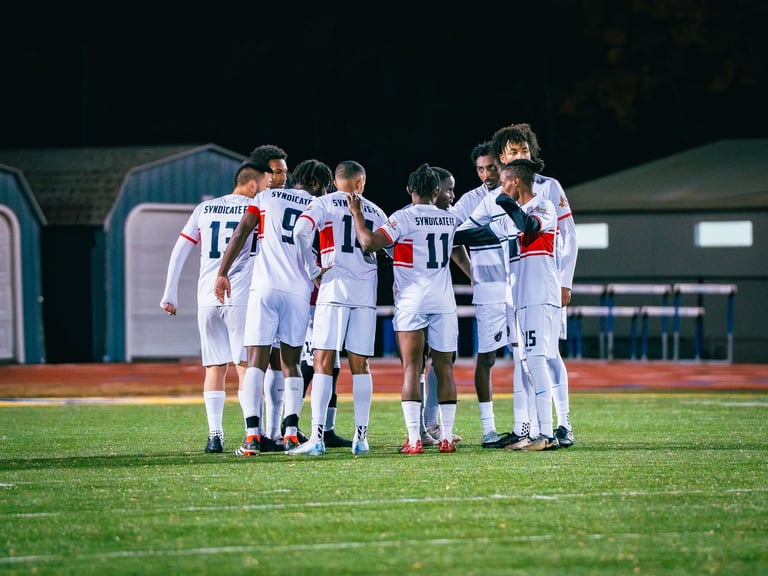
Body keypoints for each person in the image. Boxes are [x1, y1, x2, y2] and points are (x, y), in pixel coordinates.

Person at [214, 153, 333, 456]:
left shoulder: (265, 196)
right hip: (298, 291)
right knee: (291, 364)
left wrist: (223, 272)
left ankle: (252, 436)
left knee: (255, 361)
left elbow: (241, 232)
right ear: (316, 183)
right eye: (325, 186)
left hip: (264, 287)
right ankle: (290, 434)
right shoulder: (318, 204)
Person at [348, 163, 468, 454]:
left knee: (412, 369)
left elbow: (369, 244)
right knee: (445, 368)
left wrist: (357, 215)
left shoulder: (403, 217)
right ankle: (445, 438)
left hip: (412, 300)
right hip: (443, 300)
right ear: (436, 190)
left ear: (410, 189)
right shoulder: (450, 219)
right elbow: (459, 250)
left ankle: (414, 439)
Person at [159, 158, 272, 453]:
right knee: (246, 367)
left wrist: (170, 293)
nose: (267, 188)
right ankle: (253, 433)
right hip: (240, 296)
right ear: (252, 184)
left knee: (214, 368)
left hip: (207, 297)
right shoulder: (258, 206)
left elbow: (180, 248)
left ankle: (215, 436)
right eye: (264, 183)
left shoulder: (205, 208)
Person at [290, 160, 387, 456]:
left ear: (336, 181)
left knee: (322, 362)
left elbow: (300, 231)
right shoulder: (375, 210)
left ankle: (317, 438)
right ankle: (361, 438)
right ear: (361, 182)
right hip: (365, 293)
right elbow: (392, 248)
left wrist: (312, 268)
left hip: (334, 288)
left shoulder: (323, 203)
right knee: (361, 366)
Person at [490, 123, 577, 448]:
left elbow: (570, 237)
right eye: (513, 151)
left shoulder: (548, 188)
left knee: (548, 355)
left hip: (544, 284)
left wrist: (565, 280)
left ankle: (561, 424)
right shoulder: (497, 193)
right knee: (523, 358)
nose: (520, 155)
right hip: (517, 287)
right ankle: (525, 427)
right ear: (502, 157)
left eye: (524, 149)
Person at [493, 158, 561, 450]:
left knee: (535, 361)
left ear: (516, 182)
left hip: (539, 296)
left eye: (504, 182)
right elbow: (486, 234)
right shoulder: (515, 213)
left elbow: (530, 226)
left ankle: (546, 434)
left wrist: (506, 202)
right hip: (523, 299)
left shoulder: (543, 206)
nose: (501, 188)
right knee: (527, 364)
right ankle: (535, 433)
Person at [450, 142, 511, 448]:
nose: (486, 174)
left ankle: (532, 424)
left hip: (521, 287)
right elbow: (448, 236)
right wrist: (471, 272)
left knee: (530, 356)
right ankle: (489, 430)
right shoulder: (470, 200)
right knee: (487, 357)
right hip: (488, 290)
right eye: (481, 169)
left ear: (503, 165)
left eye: (491, 168)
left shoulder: (518, 192)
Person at [419, 166, 465, 446]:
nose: (452, 195)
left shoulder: (449, 219)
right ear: (435, 190)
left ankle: (430, 423)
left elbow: (456, 249)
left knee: (444, 360)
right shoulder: (410, 216)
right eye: (449, 190)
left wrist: (475, 278)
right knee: (417, 362)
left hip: (438, 300)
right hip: (416, 302)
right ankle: (418, 428)